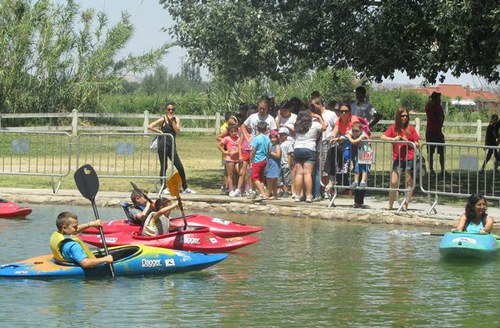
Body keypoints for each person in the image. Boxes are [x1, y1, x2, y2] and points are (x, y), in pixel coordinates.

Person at [148, 102, 195, 194]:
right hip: (162, 145)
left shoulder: (176, 119)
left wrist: (173, 122)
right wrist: (160, 131)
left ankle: (185, 187)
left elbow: (177, 131)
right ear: (166, 110)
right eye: (169, 109)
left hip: (172, 145)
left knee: (179, 166)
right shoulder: (163, 119)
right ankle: (163, 187)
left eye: (172, 109)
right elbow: (149, 126)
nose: (170, 111)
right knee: (164, 166)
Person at [381, 107, 420, 211]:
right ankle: (390, 205)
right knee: (394, 182)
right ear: (398, 116)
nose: (405, 118)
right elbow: (383, 137)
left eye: (406, 116)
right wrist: (394, 139)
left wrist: (409, 142)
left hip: (409, 157)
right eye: (402, 116)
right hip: (397, 158)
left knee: (408, 181)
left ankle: (406, 204)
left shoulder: (411, 129)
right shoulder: (393, 128)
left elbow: (417, 144)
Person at [49, 212, 113, 268]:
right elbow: (86, 263)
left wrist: (91, 224)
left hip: (63, 261)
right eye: (74, 227)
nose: (77, 228)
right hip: (87, 268)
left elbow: (76, 229)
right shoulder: (73, 246)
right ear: (64, 227)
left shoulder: (58, 235)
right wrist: (105, 259)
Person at [293, 109, 326, 203]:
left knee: (299, 173)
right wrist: (319, 117)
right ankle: (308, 195)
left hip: (297, 148)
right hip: (309, 148)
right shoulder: (314, 124)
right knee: (307, 173)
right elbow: (324, 128)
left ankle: (297, 196)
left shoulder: (297, 125)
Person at [338, 121, 371, 189]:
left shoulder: (363, 135)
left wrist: (349, 137)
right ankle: (355, 181)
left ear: (361, 130)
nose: (354, 132)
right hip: (359, 151)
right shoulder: (352, 132)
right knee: (357, 167)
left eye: (356, 131)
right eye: (353, 131)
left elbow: (354, 142)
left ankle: (363, 181)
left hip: (366, 151)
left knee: (364, 168)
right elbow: (346, 134)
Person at [250, 121, 271, 201]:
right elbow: (269, 151)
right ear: (266, 129)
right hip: (265, 160)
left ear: (257, 129)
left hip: (257, 160)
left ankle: (262, 194)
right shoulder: (267, 139)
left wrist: (251, 161)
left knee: (254, 177)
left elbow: (253, 151)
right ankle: (262, 193)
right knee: (261, 178)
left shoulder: (256, 139)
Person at [425, 92, 445, 174]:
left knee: (432, 152)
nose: (440, 100)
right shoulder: (436, 107)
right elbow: (441, 117)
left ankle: (432, 169)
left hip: (430, 131)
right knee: (439, 152)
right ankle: (440, 170)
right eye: (438, 98)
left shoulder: (429, 106)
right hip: (435, 132)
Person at [217, 124, 240, 196]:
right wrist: (224, 152)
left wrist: (236, 152)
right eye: (232, 132)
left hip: (237, 158)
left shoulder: (239, 138)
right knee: (230, 174)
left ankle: (237, 188)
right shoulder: (227, 138)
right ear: (229, 132)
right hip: (229, 159)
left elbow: (241, 148)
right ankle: (231, 190)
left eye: (235, 131)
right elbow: (219, 145)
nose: (234, 133)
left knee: (239, 172)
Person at [278, 127, 294, 198]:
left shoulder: (288, 143)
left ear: (286, 135)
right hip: (279, 163)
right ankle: (282, 189)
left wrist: (290, 163)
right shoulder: (279, 143)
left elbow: (290, 154)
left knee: (287, 178)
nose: (281, 136)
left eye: (282, 134)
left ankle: (287, 190)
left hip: (286, 163)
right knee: (280, 177)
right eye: (280, 134)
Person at [266, 130, 282, 199]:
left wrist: (270, 153)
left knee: (272, 180)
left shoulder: (277, 146)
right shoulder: (269, 145)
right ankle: (273, 195)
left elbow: (278, 155)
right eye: (271, 138)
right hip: (270, 164)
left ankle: (269, 194)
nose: (273, 139)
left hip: (275, 165)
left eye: (274, 138)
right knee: (271, 180)